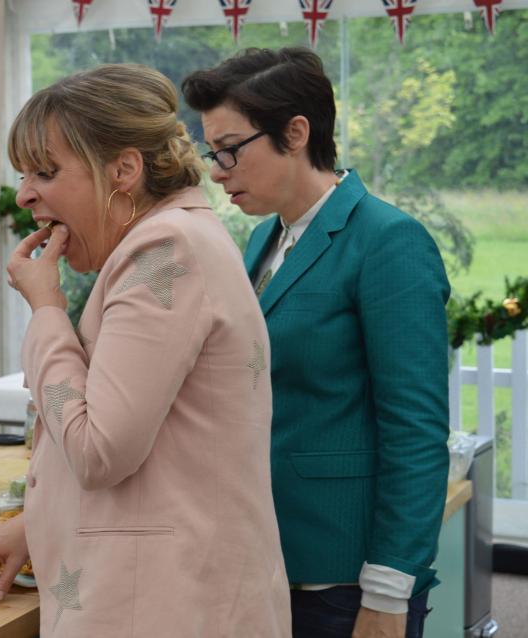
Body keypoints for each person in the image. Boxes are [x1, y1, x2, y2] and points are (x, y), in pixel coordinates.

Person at [0, 64, 290, 636]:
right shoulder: (175, 239)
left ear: (124, 170)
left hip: (163, 606)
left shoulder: (166, 249)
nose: (25, 193)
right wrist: (37, 523)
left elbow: (97, 452)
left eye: (45, 171)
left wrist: (47, 309)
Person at [182, 48, 450, 638]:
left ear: (296, 132)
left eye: (229, 149)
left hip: (345, 579)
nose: (218, 170)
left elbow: (417, 432)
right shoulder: (262, 240)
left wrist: (387, 589)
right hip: (266, 559)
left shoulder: (389, 241)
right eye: (211, 152)